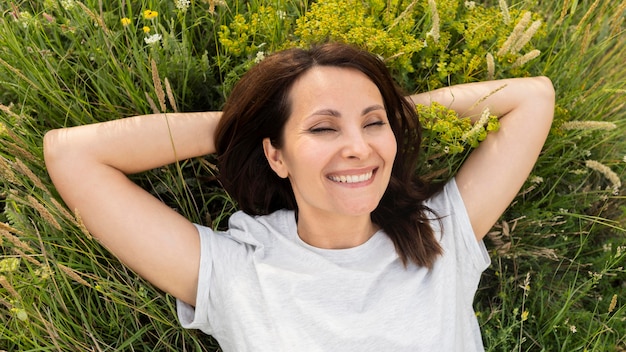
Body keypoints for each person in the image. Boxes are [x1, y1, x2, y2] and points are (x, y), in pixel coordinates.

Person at [43, 43, 555, 351]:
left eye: (373, 124)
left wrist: (394, 112)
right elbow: (72, 156)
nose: (358, 148)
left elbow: (532, 98)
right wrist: (244, 125)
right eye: (323, 129)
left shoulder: (440, 238)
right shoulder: (238, 271)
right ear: (277, 157)